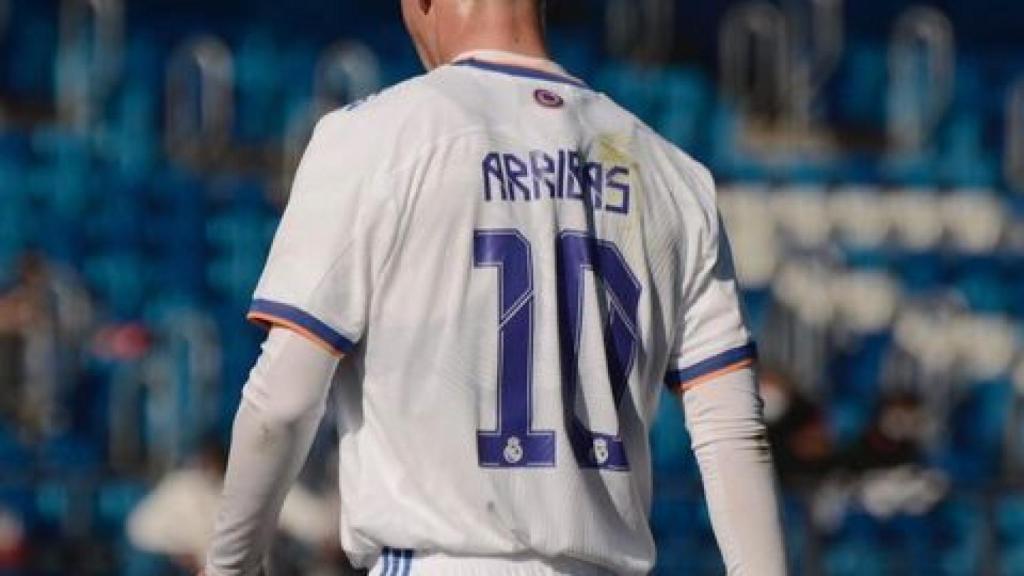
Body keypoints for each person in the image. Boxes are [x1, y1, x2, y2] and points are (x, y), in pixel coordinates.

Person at [205, 1, 787, 574]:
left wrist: (232, 565)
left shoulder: (375, 135)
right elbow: (731, 433)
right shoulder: (673, 173)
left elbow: (283, 402)